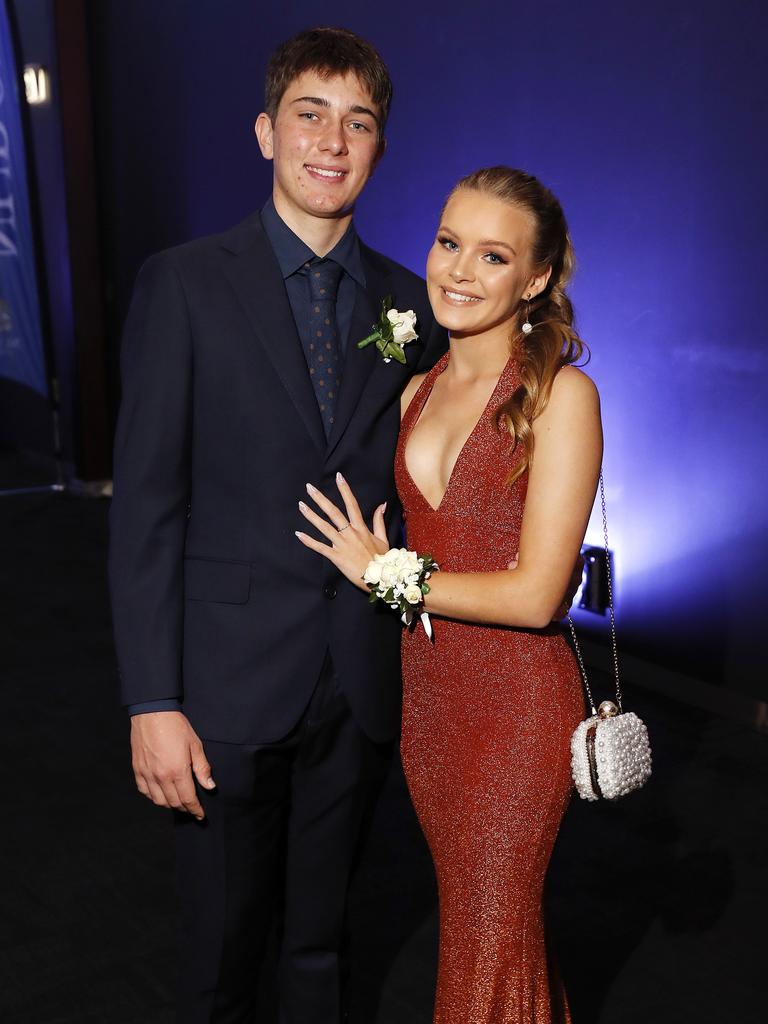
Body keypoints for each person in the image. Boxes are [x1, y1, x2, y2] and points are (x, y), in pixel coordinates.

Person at [107, 27, 450, 1023]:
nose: (332, 141)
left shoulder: (408, 304)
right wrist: (151, 700)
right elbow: (148, 511)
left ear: (380, 147)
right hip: (220, 687)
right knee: (220, 950)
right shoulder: (183, 284)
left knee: (322, 943)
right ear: (265, 132)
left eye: (359, 122)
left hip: (356, 680)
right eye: (309, 114)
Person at [296, 166, 603, 1023]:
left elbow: (540, 595)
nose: (458, 271)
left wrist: (387, 573)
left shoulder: (560, 397)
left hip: (515, 711)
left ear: (535, 279)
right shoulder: (413, 389)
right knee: (491, 940)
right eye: (447, 242)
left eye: (493, 255)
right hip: (431, 706)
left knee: (489, 931)